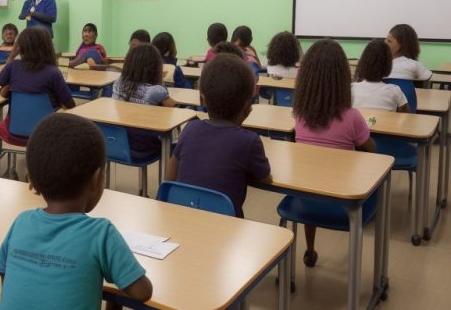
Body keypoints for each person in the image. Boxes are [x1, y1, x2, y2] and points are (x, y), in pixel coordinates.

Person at [0, 113, 152, 310]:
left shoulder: (21, 222)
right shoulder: (101, 234)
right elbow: (143, 292)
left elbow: (3, 272)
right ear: (97, 180)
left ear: (32, 180)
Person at [292, 38, 375, 267]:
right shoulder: (353, 117)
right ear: (342, 79)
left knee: (313, 179)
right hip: (344, 200)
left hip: (306, 195)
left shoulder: (300, 115)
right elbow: (372, 149)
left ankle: (309, 250)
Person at [165, 54, 271, 217]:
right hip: (227, 230)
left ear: (202, 100)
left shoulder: (190, 129)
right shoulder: (249, 141)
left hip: (183, 219)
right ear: (248, 105)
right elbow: (265, 178)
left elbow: (169, 179)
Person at [0, 28, 76, 147]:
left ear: (20, 47)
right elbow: (70, 105)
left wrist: (12, 56)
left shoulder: (13, 66)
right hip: (46, 133)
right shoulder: (53, 72)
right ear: (48, 47)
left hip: (13, 132)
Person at [112, 44, 175, 158]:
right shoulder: (156, 91)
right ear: (155, 67)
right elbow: (175, 108)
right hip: (143, 148)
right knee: (178, 143)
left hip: (116, 144)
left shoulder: (119, 82)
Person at [353, 39, 410, 112]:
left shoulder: (352, 89)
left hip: (359, 123)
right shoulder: (394, 91)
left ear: (363, 62)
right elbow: (407, 116)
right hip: (387, 123)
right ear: (387, 65)